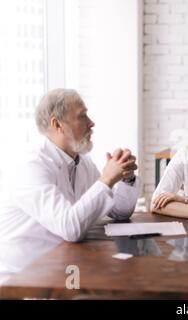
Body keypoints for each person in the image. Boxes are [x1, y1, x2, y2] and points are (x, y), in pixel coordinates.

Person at [0, 89, 139, 283]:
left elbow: (119, 211)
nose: (91, 123)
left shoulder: (82, 161)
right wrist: (106, 179)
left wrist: (126, 178)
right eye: (82, 116)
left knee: (127, 277)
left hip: (63, 267)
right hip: (24, 280)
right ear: (57, 125)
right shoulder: (30, 166)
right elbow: (69, 228)